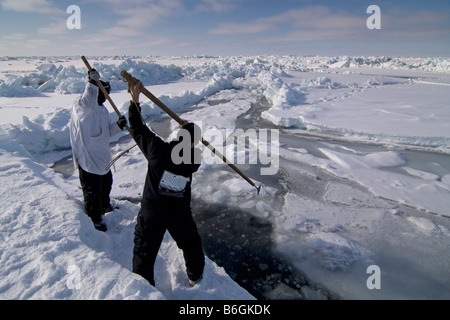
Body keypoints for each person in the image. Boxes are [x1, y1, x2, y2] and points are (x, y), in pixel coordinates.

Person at [127, 81, 205, 287]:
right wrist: (188, 133)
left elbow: (137, 128)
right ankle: (195, 276)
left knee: (144, 251)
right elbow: (188, 147)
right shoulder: (193, 159)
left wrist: (134, 102)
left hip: (153, 211)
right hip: (178, 212)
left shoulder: (157, 150)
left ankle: (143, 289)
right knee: (191, 243)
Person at [69, 69, 127, 232]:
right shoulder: (83, 106)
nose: (107, 97)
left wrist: (118, 125)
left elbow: (106, 132)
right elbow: (88, 99)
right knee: (92, 190)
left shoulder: (102, 110)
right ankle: (95, 218)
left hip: (102, 156)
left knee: (106, 183)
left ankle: (105, 206)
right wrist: (92, 82)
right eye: (104, 93)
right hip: (88, 157)